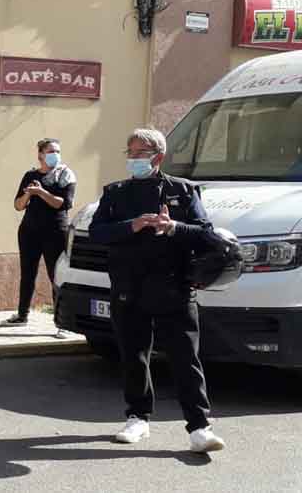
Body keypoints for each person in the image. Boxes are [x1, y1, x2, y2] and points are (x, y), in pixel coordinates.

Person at [88, 128, 226, 453]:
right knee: (134, 356)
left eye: (141, 153)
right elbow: (97, 233)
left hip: (174, 288)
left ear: (158, 157)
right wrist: (132, 226)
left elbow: (206, 234)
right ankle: (137, 417)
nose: (134, 159)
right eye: (130, 153)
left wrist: (174, 227)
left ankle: (199, 427)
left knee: (185, 358)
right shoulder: (115, 192)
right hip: (129, 288)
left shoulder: (183, 190)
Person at [5, 138, 76, 334]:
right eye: (51, 151)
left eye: (57, 151)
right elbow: (18, 205)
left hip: (55, 232)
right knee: (27, 273)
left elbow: (63, 203)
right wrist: (29, 194)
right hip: (29, 231)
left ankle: (62, 323)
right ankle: (22, 315)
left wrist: (41, 192)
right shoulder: (30, 175)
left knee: (56, 275)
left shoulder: (66, 175)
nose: (55, 155)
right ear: (40, 155)